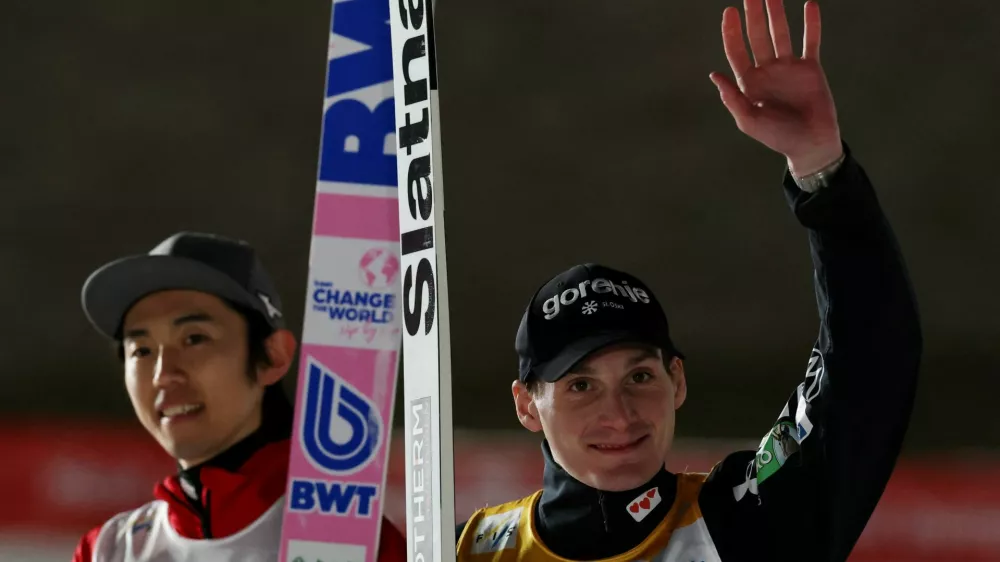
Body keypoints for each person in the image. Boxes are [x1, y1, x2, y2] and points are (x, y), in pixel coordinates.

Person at [455, 1, 921, 561]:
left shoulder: (744, 524)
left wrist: (821, 167)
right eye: (580, 385)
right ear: (527, 406)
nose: (620, 414)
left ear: (676, 381)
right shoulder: (470, 549)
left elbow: (870, 362)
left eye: (640, 376)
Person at [71, 232, 406, 561]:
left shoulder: (360, 545)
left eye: (194, 339)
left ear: (273, 356)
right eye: (142, 350)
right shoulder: (107, 550)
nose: (163, 374)